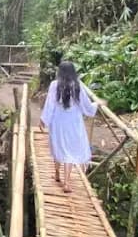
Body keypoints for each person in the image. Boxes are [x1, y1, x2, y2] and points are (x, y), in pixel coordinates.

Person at [40, 60, 97, 188]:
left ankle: (57, 174)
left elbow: (49, 104)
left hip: (58, 122)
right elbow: (85, 105)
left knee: (59, 146)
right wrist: (96, 105)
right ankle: (66, 182)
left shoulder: (54, 85)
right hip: (73, 123)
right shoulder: (77, 85)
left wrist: (44, 119)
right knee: (69, 151)